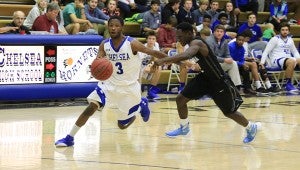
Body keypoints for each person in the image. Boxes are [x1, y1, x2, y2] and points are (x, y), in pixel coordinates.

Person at [55, 16, 169, 147]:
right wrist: (97, 66)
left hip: (128, 88)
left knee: (122, 125)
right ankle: (69, 138)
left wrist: (177, 59)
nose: (113, 28)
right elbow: (98, 60)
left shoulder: (132, 43)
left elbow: (153, 52)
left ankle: (140, 106)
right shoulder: (104, 44)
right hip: (108, 85)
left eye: (116, 26)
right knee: (91, 107)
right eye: (111, 25)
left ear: (122, 27)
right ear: (108, 27)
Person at [154, 22, 260, 144]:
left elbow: (187, 55)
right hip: (205, 78)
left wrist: (163, 60)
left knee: (229, 112)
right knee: (180, 99)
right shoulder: (191, 43)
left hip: (218, 81)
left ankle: (251, 127)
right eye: (177, 37)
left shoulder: (197, 43)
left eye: (180, 36)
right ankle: (184, 127)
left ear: (189, 33)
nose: (178, 39)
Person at [260, 22, 300, 93]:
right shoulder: (275, 39)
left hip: (287, 60)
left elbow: (295, 52)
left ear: (289, 31)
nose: (285, 31)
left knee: (294, 60)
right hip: (276, 60)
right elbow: (266, 51)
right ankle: (288, 84)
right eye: (283, 30)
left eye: (286, 30)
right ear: (279, 31)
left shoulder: (290, 39)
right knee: (291, 61)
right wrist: (262, 62)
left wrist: (298, 59)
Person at [205, 25, 242, 89]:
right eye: (217, 31)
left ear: (224, 33)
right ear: (214, 32)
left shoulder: (224, 41)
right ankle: (234, 87)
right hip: (210, 64)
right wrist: (224, 60)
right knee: (233, 64)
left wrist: (229, 59)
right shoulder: (209, 41)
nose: (219, 33)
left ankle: (234, 87)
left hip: (219, 64)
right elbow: (211, 57)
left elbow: (227, 54)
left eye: (221, 32)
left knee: (233, 63)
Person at [139, 31, 162, 100]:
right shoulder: (142, 47)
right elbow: (138, 62)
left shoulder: (156, 46)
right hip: (139, 67)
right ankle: (137, 91)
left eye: (153, 39)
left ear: (155, 40)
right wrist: (146, 67)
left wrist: (150, 65)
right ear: (147, 40)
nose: (151, 41)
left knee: (159, 67)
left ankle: (151, 91)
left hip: (148, 67)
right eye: (149, 38)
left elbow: (156, 60)